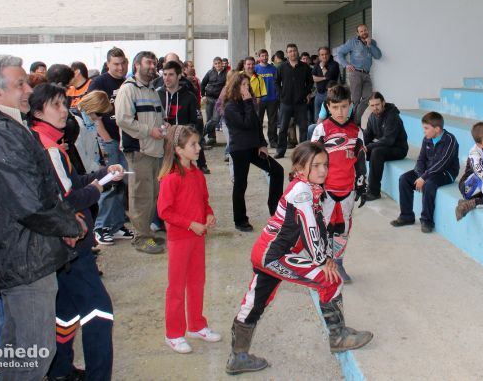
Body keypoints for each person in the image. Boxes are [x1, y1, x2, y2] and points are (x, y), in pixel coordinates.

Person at [0, 55, 85, 381]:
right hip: (24, 260)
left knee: (21, 353)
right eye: (20, 84)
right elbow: (30, 202)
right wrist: (70, 225)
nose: (28, 89)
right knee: (34, 356)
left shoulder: (9, 126)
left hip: (27, 253)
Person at [226, 142, 372, 375]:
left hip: (266, 253)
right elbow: (311, 229)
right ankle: (338, 336)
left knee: (254, 302)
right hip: (274, 256)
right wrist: (323, 261)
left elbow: (319, 229)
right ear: (299, 167)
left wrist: (326, 256)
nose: (322, 170)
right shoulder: (302, 191)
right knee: (331, 279)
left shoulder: (309, 188)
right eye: (315, 166)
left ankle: (238, 357)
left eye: (325, 164)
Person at [29, 83, 121, 381]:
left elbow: (71, 182)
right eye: (55, 105)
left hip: (62, 245)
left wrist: (103, 175)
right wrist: (97, 187)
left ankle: (60, 370)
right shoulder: (47, 146)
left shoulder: (52, 143)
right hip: (70, 242)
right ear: (38, 111)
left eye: (63, 103)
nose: (62, 110)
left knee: (65, 312)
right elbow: (68, 200)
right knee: (99, 313)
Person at [157, 125, 221, 354]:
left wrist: (208, 214)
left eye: (198, 143)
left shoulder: (197, 174)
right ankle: (173, 333)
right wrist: (189, 224)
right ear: (178, 150)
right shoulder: (170, 178)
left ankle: (196, 325)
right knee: (176, 287)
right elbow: (165, 211)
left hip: (197, 237)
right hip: (180, 238)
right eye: (193, 144)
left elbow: (204, 201)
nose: (198, 147)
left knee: (197, 282)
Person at [311, 84, 367, 284]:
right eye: (335, 107)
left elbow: (360, 162)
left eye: (344, 106)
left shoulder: (357, 132)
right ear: (328, 106)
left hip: (348, 191)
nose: (340, 112)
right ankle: (323, 265)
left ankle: (339, 263)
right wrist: (316, 187)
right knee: (322, 227)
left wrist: (362, 185)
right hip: (326, 190)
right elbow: (312, 161)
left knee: (342, 229)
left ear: (351, 105)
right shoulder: (321, 130)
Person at [115, 51, 167, 254]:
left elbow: (156, 117)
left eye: (154, 62)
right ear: (137, 65)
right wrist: (149, 131)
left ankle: (147, 234)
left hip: (154, 150)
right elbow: (123, 119)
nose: (153, 66)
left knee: (152, 194)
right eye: (148, 62)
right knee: (141, 196)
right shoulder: (129, 89)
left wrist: (163, 126)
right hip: (139, 150)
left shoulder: (152, 89)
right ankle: (140, 238)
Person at [223, 74, 284, 232]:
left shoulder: (248, 103)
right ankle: (240, 220)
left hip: (254, 147)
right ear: (235, 87)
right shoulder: (230, 106)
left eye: (247, 85)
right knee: (241, 184)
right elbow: (247, 123)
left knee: (277, 170)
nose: (247, 88)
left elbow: (257, 126)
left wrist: (263, 144)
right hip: (240, 149)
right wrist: (249, 101)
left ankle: (275, 209)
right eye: (243, 85)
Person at [87, 47, 132, 245]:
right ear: (108, 64)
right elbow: (92, 112)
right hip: (109, 141)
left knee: (121, 184)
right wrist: (107, 140)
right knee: (109, 184)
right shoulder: (99, 82)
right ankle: (101, 227)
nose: (120, 67)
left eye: (123, 63)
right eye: (116, 64)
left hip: (126, 141)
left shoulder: (128, 82)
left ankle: (116, 225)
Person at [391, 112, 459, 233]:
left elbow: (443, 163)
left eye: (426, 128)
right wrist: (421, 174)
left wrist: (424, 178)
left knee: (429, 184)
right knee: (404, 179)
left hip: (445, 173)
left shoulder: (450, 140)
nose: (424, 131)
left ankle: (427, 221)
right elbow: (421, 159)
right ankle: (407, 216)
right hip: (427, 171)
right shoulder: (426, 139)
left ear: (437, 129)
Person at [158, 61, 209, 174]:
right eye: (165, 74)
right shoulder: (156, 95)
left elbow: (197, 123)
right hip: (160, 147)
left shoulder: (189, 97)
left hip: (181, 148)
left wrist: (178, 132)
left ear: (179, 75)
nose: (167, 78)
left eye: (171, 74)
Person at [363, 92, 409, 201]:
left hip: (398, 148)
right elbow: (367, 135)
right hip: (385, 147)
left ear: (383, 103)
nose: (375, 108)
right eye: (372, 105)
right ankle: (359, 184)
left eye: (377, 104)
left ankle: (374, 192)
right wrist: (361, 146)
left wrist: (369, 147)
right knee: (361, 151)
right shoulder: (372, 117)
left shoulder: (392, 116)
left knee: (376, 152)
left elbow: (388, 140)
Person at [335, 24, 382, 125]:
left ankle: (355, 122)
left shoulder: (372, 42)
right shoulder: (352, 42)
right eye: (361, 31)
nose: (364, 32)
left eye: (365, 30)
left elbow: (378, 56)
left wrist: (370, 45)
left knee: (368, 98)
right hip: (355, 73)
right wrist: (346, 64)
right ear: (358, 33)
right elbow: (340, 53)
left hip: (366, 74)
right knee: (355, 100)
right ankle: (352, 123)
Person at [274, 44, 313, 159]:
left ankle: (303, 152)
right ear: (287, 54)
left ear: (297, 52)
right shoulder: (282, 67)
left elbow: (310, 82)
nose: (292, 53)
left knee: (303, 129)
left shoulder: (305, 67)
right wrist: (281, 94)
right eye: (290, 51)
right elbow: (276, 82)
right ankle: (280, 151)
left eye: (294, 51)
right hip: (286, 103)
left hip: (300, 103)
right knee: (283, 129)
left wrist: (305, 93)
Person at [255, 49, 279, 148]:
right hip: (259, 100)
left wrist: (277, 95)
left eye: (266, 55)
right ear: (259, 57)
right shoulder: (255, 69)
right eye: (262, 56)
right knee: (258, 121)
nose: (265, 57)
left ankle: (273, 140)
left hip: (272, 99)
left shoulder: (273, 68)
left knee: (272, 121)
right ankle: (259, 141)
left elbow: (277, 83)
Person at [201, 57, 227, 145]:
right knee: (209, 118)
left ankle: (201, 133)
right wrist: (203, 95)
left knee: (215, 119)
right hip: (209, 98)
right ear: (213, 64)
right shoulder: (210, 72)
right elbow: (203, 83)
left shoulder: (226, 73)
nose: (217, 65)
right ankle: (212, 138)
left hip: (219, 100)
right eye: (215, 63)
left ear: (222, 63)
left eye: (219, 63)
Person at [312, 47, 340, 121]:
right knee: (318, 118)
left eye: (326, 54)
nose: (324, 56)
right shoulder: (317, 63)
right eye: (322, 54)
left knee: (329, 119)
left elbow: (328, 75)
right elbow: (313, 78)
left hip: (331, 95)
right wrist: (325, 78)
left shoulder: (334, 64)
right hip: (319, 94)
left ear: (329, 54)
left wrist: (322, 67)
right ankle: (318, 132)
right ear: (319, 56)